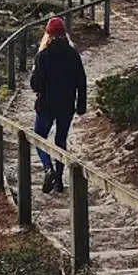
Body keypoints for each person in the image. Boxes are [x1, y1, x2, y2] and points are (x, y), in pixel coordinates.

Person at [29, 16, 87, 194]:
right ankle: (59, 181)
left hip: (46, 105)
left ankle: (48, 168)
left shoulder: (43, 56)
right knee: (60, 140)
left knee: (39, 137)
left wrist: (34, 72)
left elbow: (35, 85)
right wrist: (81, 105)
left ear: (48, 35)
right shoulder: (73, 54)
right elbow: (81, 81)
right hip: (66, 106)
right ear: (64, 34)